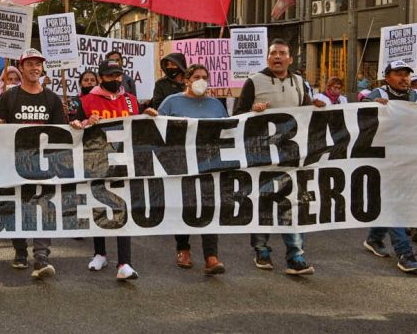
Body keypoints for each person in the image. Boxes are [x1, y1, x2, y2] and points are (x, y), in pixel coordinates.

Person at [233, 38, 314, 275]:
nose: (277, 57)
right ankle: (262, 250)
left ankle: (296, 257)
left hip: (291, 156)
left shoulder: (299, 82)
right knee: (263, 203)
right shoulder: (254, 81)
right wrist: (252, 111)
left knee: (292, 205)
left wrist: (319, 106)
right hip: (261, 156)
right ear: (267, 58)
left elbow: (307, 113)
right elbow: (236, 115)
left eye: (282, 53)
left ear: (290, 58)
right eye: (273, 53)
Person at [70, 59, 156, 280]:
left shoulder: (131, 100)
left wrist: (148, 116)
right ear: (101, 78)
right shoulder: (87, 100)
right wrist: (85, 122)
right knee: (99, 205)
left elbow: (136, 126)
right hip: (96, 160)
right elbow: (74, 128)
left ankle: (125, 262)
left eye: (118, 75)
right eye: (110, 76)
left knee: (122, 209)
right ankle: (99, 253)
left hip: (123, 161)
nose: (115, 79)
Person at [0, 48, 65, 280]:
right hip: (14, 163)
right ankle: (20, 251)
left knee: (43, 209)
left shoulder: (52, 98)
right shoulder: (9, 97)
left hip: (42, 165)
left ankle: (41, 258)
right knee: (17, 208)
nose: (34, 68)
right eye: (29, 64)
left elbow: (61, 132)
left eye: (38, 64)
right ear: (21, 68)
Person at [363, 61, 417, 263]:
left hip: (408, 158)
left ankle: (374, 238)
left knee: (395, 202)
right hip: (383, 160)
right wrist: (373, 107)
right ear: (387, 77)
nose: (404, 78)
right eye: (398, 73)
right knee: (393, 204)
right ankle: (405, 252)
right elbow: (359, 116)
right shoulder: (379, 94)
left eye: (406, 74)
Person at [157, 64, 228, 275]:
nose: (201, 81)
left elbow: (229, 130)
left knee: (209, 207)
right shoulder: (172, 102)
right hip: (181, 163)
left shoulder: (216, 105)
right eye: (196, 77)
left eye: (205, 77)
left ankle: (211, 256)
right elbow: (156, 128)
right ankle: (183, 249)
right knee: (186, 206)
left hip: (209, 163)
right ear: (186, 80)